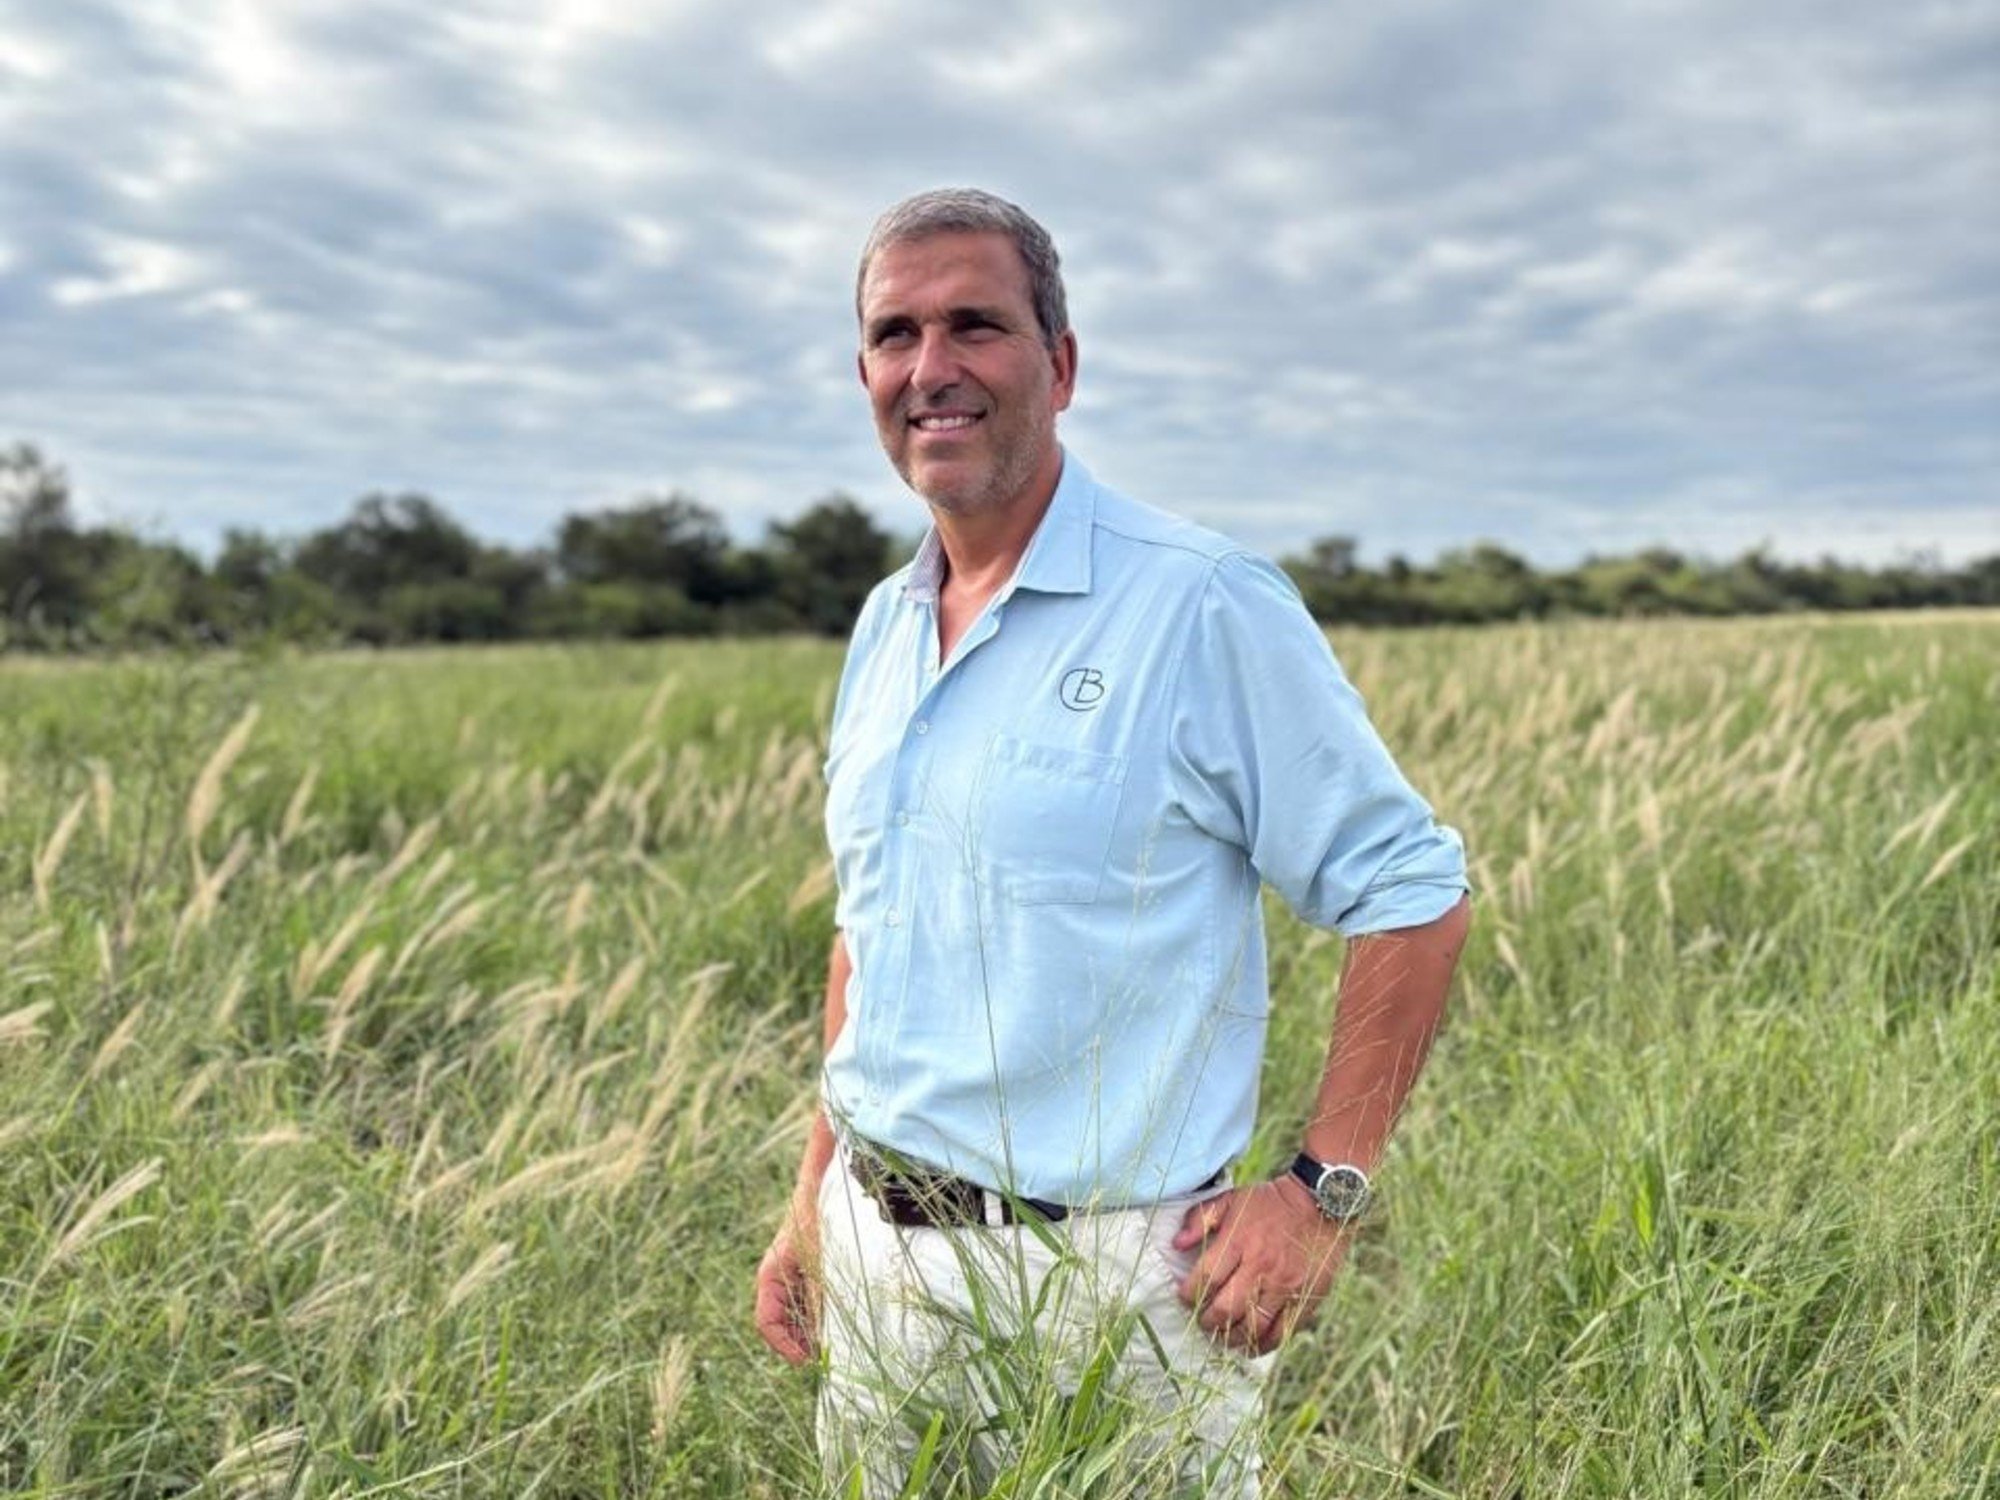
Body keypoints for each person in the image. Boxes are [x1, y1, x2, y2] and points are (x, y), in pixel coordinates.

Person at [753, 187, 1471, 1496]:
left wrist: (1321, 1194)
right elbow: (871, 928)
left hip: (1117, 1293)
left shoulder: (1199, 604)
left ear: (1061, 365)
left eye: (976, 325)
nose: (932, 369)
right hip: (875, 1248)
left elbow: (1412, 895)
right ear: (863, 372)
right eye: (895, 334)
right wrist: (814, 1197)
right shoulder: (883, 627)